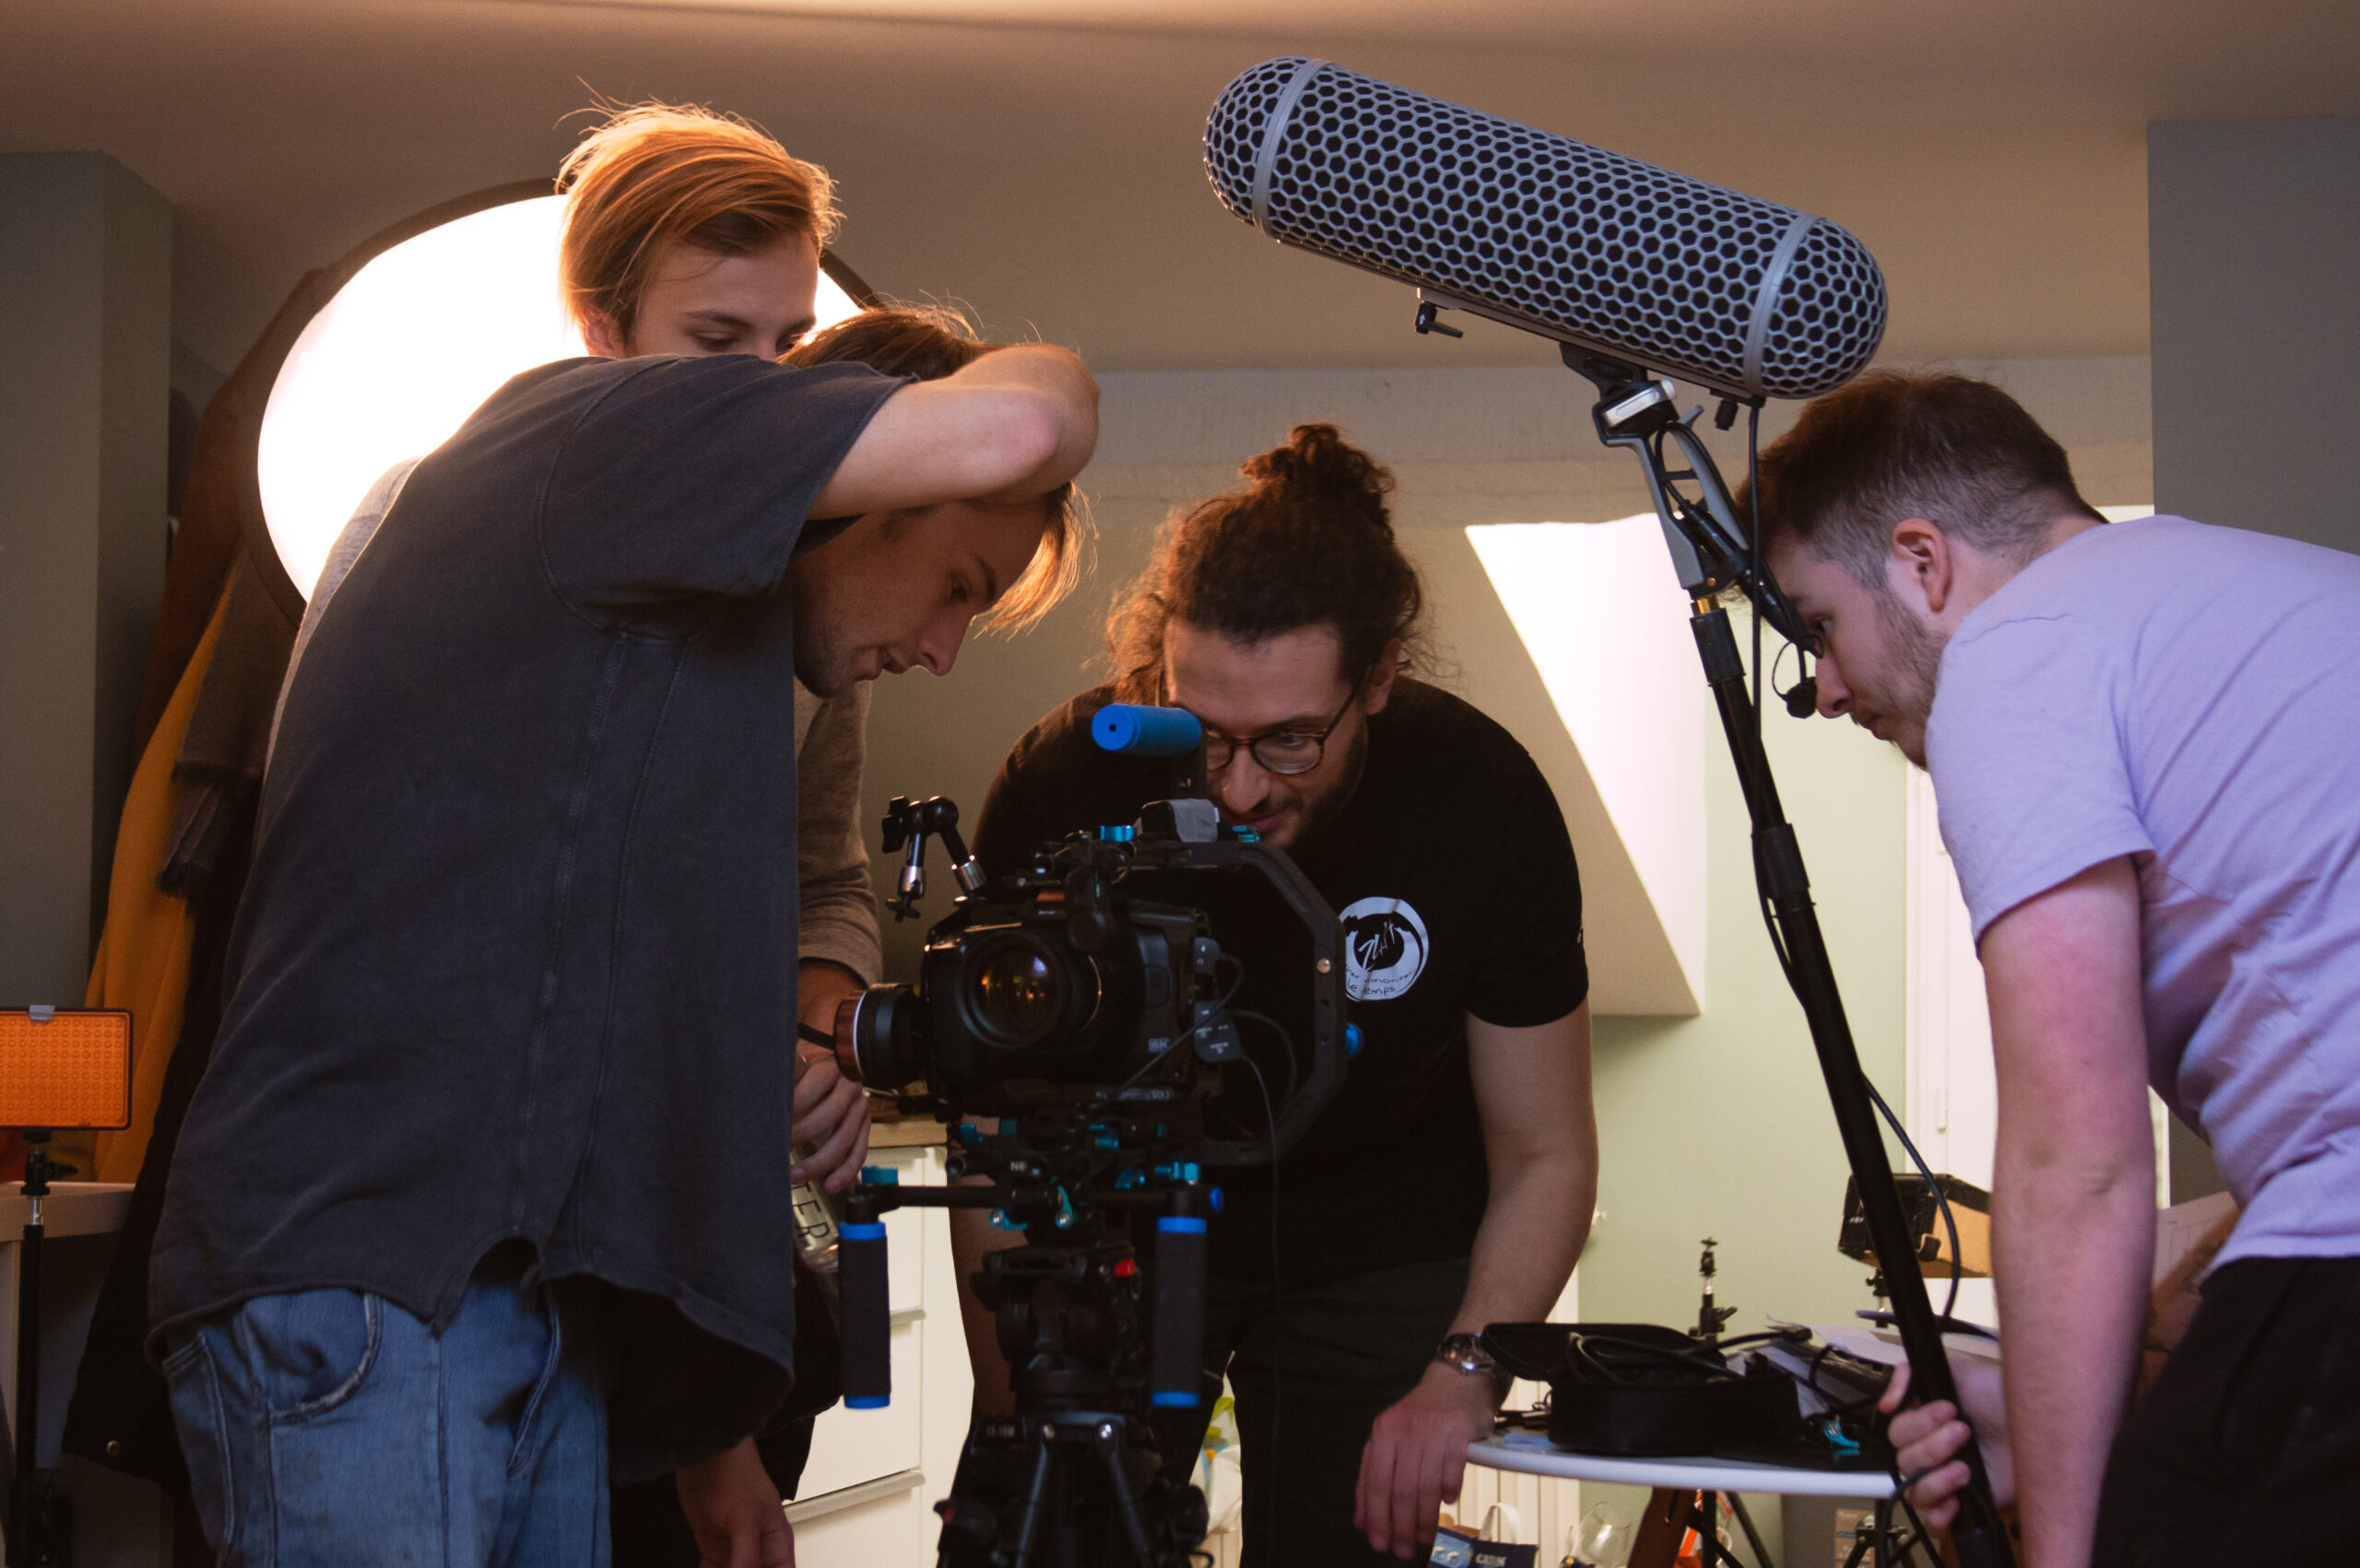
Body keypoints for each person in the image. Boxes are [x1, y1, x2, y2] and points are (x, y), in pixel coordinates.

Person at [148, 144, 1101, 1566]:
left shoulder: (677, 674)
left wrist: (716, 1454)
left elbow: (583, 1026)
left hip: (525, 1294)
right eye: (958, 584)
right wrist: (877, 387)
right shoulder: (596, 431)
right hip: (374, 1275)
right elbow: (1038, 417)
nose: (943, 647)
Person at [1749, 371, 2360, 1567]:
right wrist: (2052, 1424)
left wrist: (2062, 1542)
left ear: (1923, 563)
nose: (1820, 688)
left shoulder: (2020, 647)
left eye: (1819, 623)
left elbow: (2073, 1159)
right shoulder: (2253, 596)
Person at [962, 423, 1598, 1564]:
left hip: (1382, 1238)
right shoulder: (1063, 778)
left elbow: (1546, 1150)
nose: (1242, 787)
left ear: (1382, 677)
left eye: (1292, 741)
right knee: (1057, 1535)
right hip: (1123, 1224)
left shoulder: (1482, 799)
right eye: (1203, 736)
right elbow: (992, 1124)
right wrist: (1008, 1404)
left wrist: (1465, 1371)